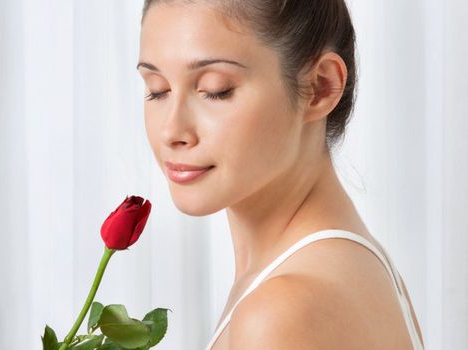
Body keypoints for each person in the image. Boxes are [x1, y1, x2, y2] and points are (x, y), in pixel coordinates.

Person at [136, 0, 425, 349]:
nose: (172, 130)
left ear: (320, 87)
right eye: (157, 89)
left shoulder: (283, 310)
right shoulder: (345, 269)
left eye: (216, 89)